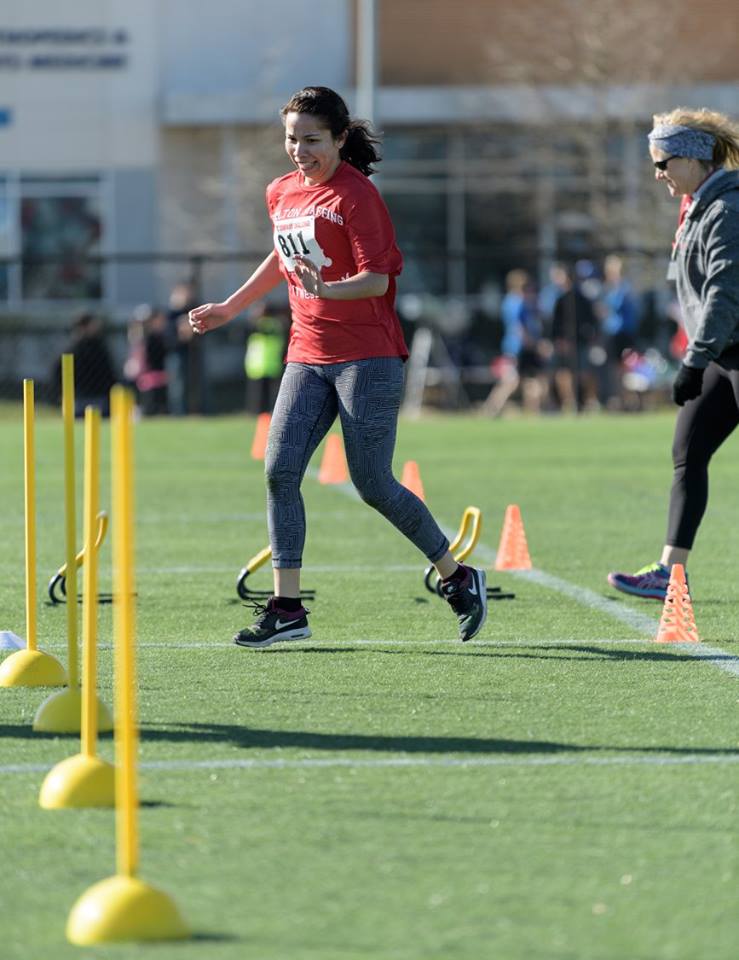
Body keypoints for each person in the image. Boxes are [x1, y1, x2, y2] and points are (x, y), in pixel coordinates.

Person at [189, 86, 487, 647]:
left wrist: (327, 288)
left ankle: (457, 576)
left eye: (312, 140)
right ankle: (287, 609)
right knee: (279, 471)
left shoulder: (358, 195)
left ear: (340, 138)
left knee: (372, 482)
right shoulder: (280, 191)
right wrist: (231, 306)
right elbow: (281, 257)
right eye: (291, 139)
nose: (299, 151)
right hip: (306, 354)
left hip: (367, 357)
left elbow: (377, 279)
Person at [608, 108, 739, 600]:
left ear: (694, 159)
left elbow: (725, 295)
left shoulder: (726, 210)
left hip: (724, 350)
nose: (657, 173)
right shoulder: (697, 208)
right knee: (688, 451)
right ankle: (670, 573)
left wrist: (695, 359)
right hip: (723, 354)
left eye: (662, 163)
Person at [482, 269, 548, 416]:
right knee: (511, 381)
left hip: (520, 347)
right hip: (516, 348)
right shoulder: (515, 302)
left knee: (530, 379)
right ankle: (491, 409)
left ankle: (533, 410)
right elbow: (518, 327)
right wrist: (533, 344)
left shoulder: (516, 301)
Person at [50, 313, 117, 417]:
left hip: (98, 397)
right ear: (84, 326)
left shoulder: (98, 347)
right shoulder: (76, 349)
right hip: (82, 398)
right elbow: (58, 372)